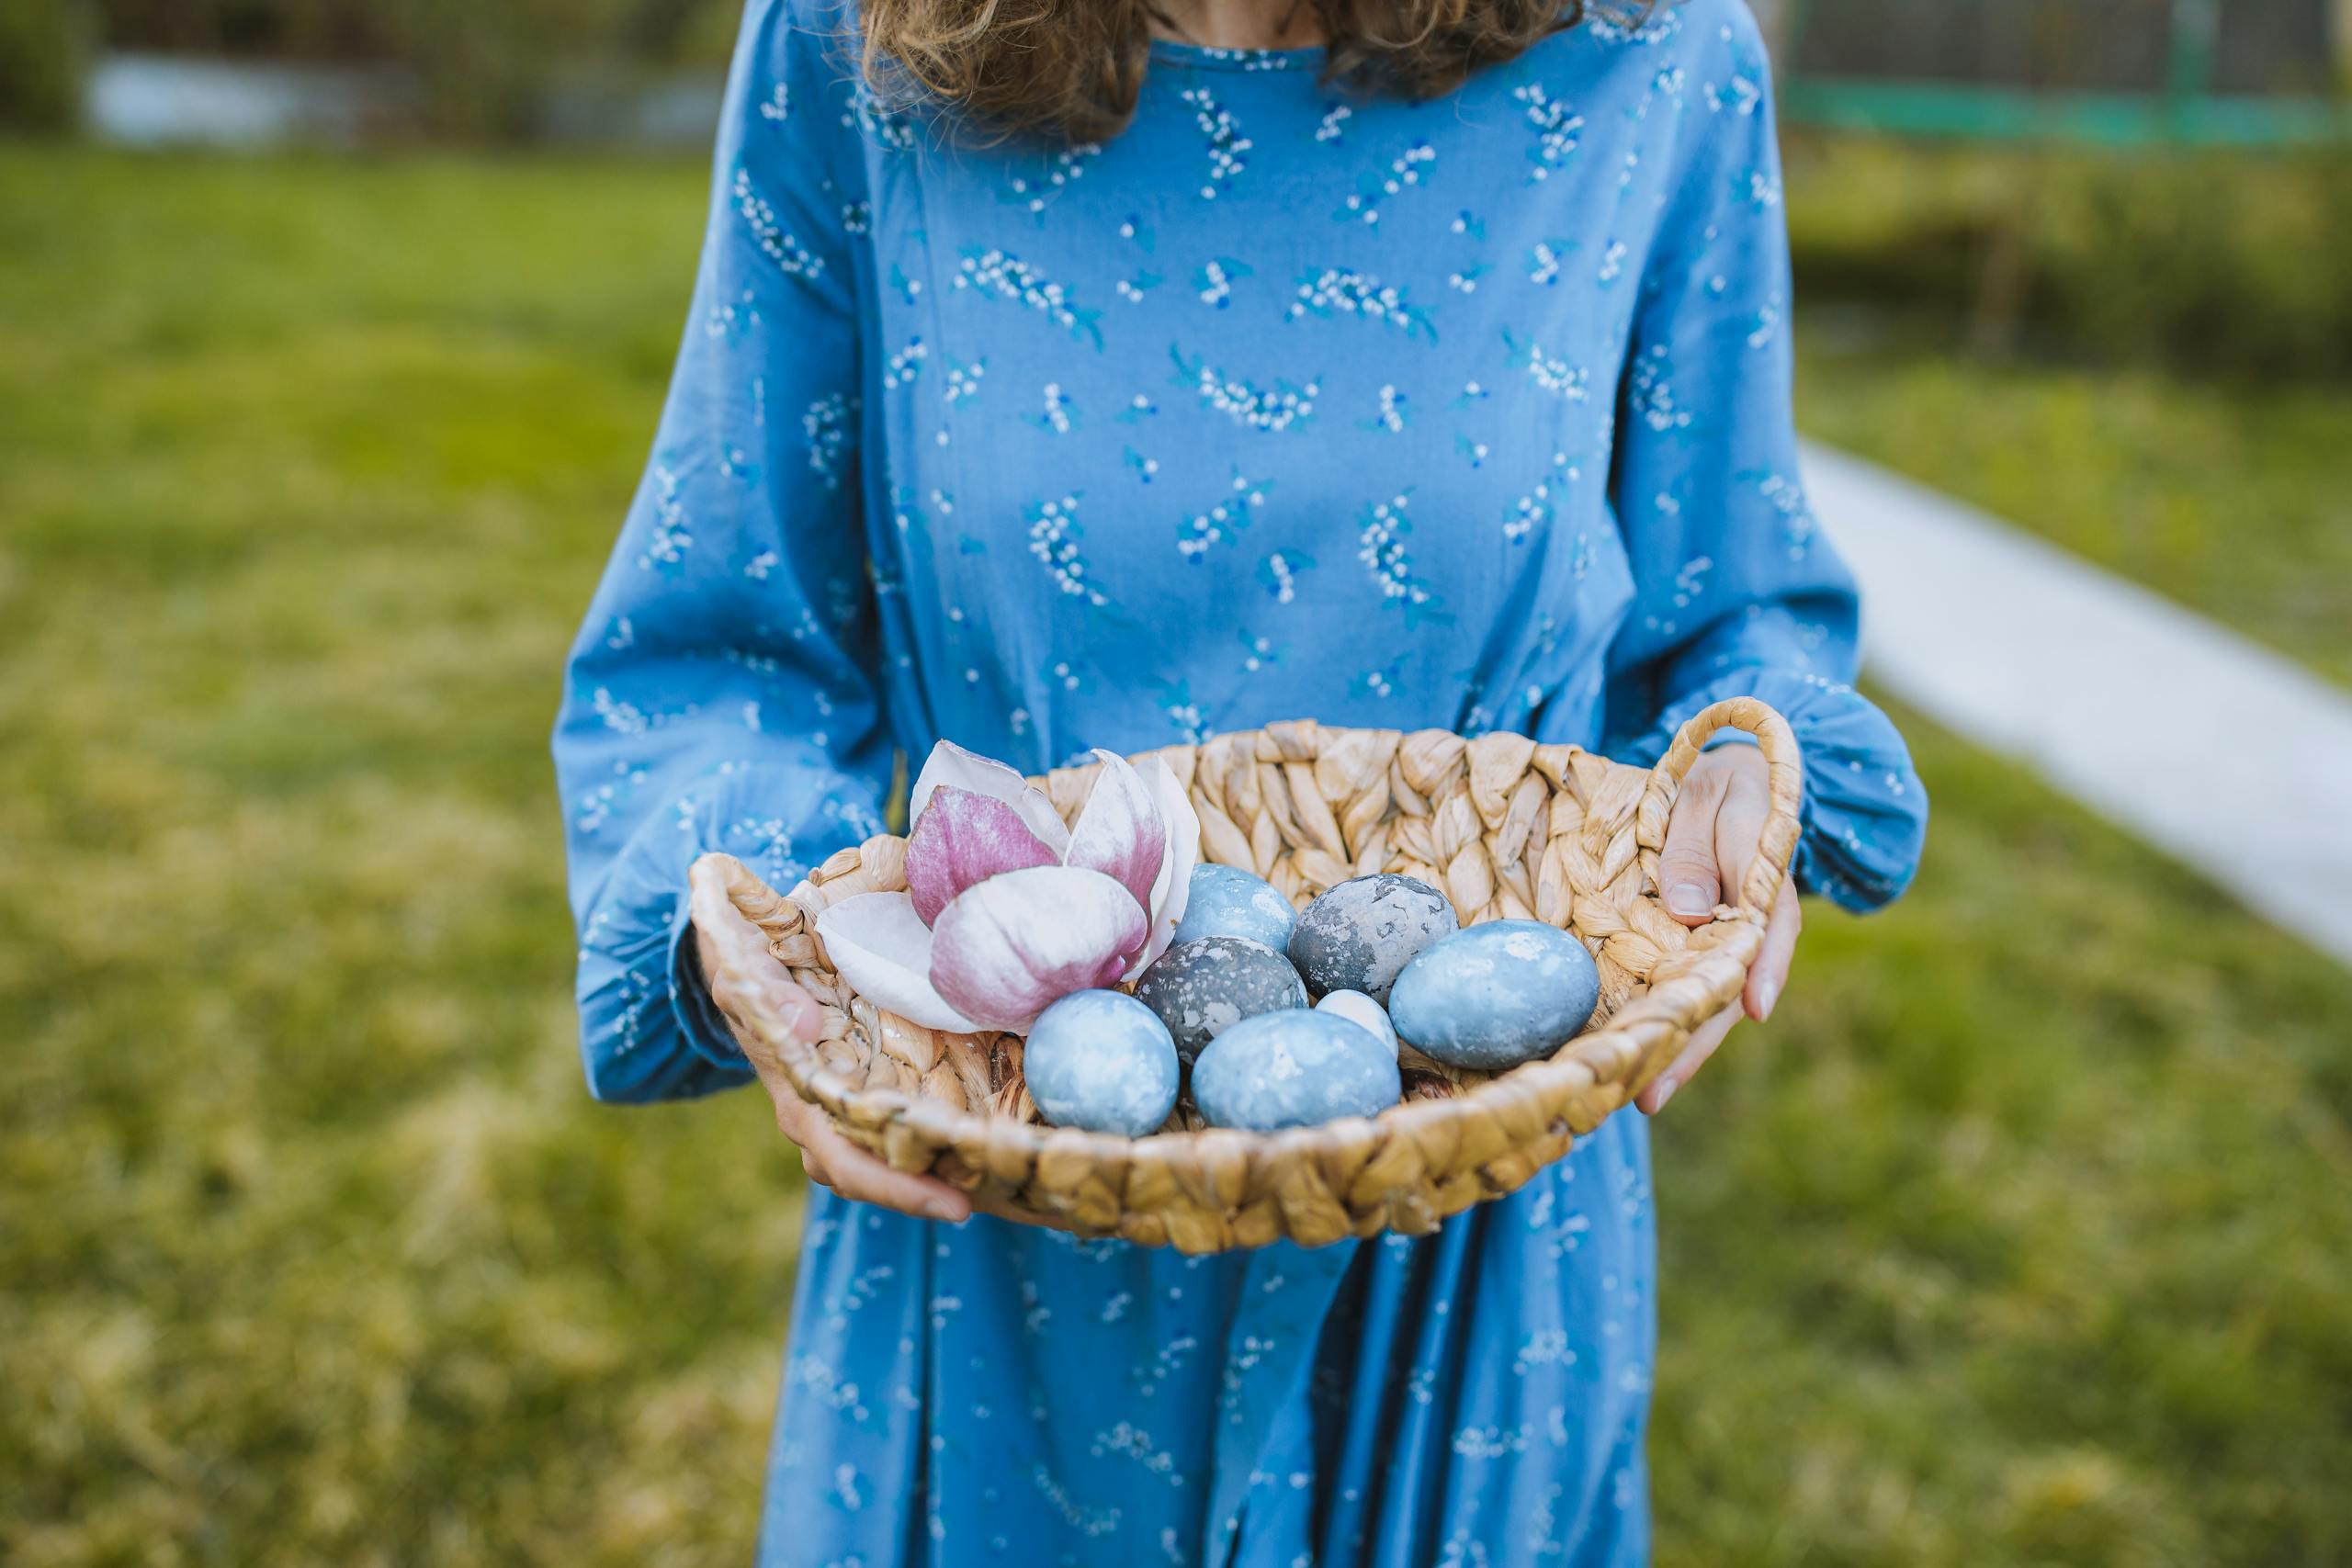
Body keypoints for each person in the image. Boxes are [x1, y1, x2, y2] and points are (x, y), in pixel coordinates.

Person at [552, 0, 1927, 1560]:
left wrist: (1749, 754)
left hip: (1466, 1241)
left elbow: (1734, 599)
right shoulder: (853, 44)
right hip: (1015, 1222)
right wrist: (778, 950)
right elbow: (719, 647)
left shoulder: (1653, 53)